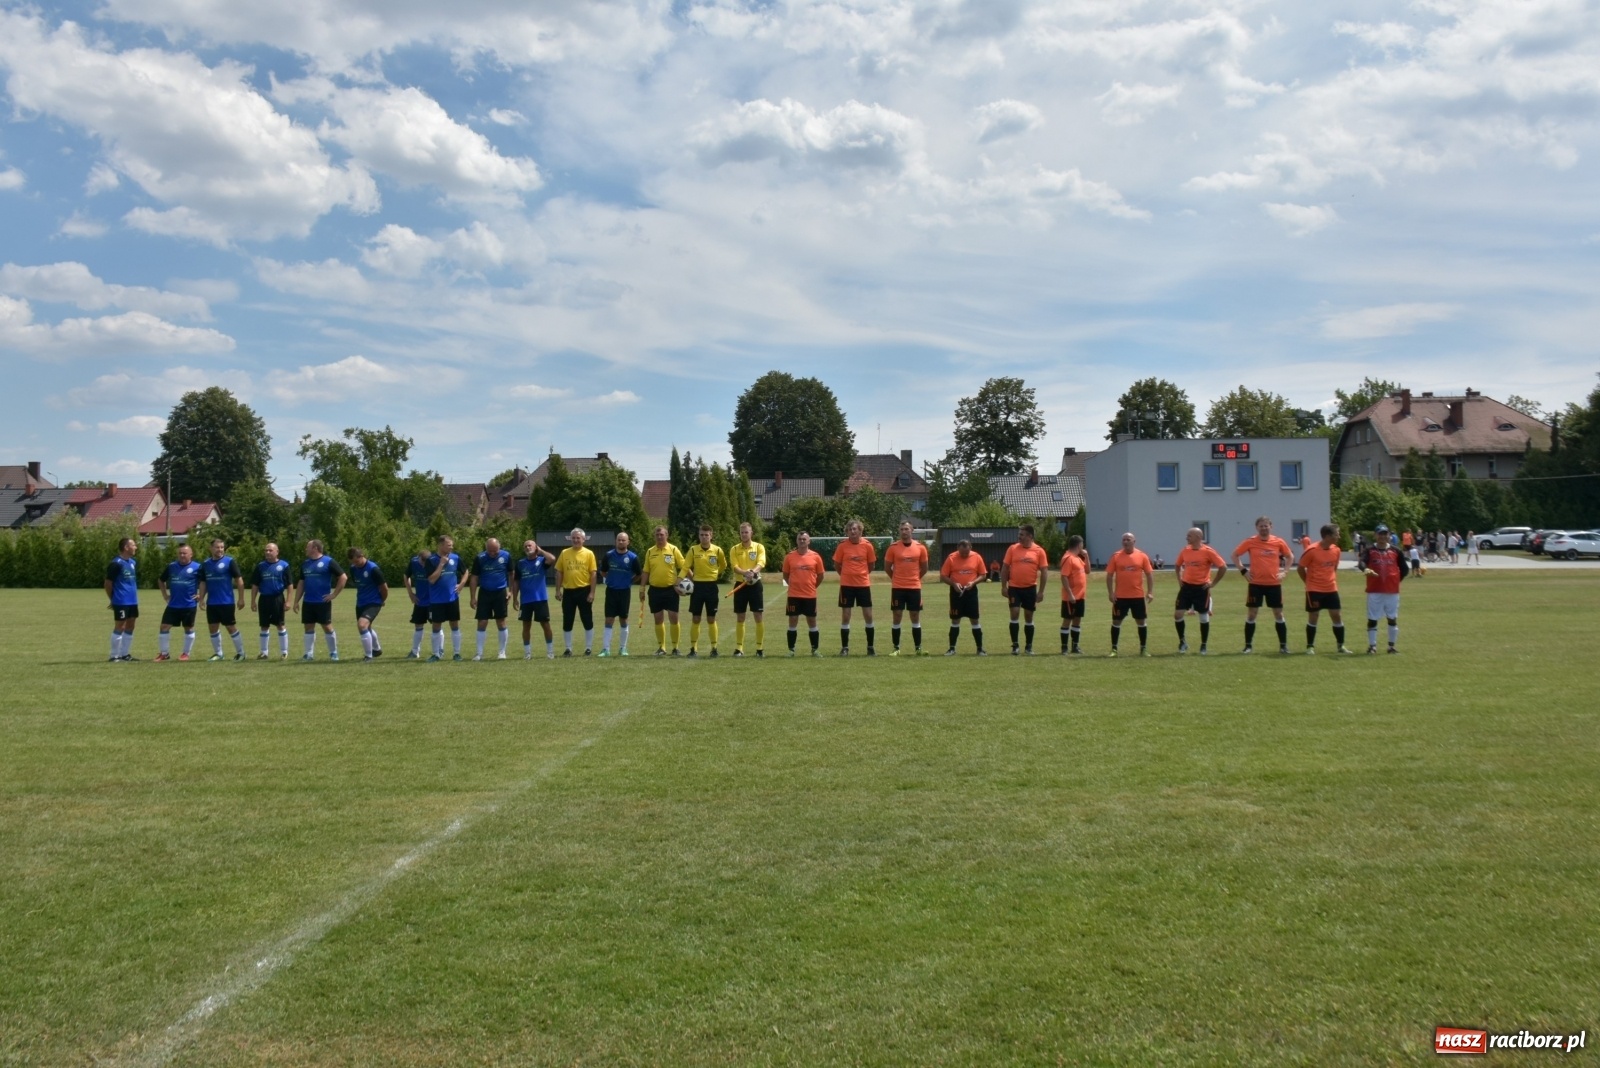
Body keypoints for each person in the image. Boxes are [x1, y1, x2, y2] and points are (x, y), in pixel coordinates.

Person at [1231, 516, 1294, 654]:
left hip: (1274, 584)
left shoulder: (1278, 542)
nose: (1264, 528)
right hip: (1256, 584)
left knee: (1278, 613)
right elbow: (1235, 555)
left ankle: (1283, 646)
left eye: (1266, 526)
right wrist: (1243, 571)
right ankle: (1248, 646)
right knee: (1252, 614)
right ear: (1257, 528)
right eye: (1261, 526)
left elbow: (1290, 556)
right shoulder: (1250, 542)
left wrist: (1285, 572)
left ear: (1271, 526)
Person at [1172, 527, 1227, 655]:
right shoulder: (1185, 550)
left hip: (1201, 588)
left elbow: (1223, 567)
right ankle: (1182, 642)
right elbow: (1177, 565)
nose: (1186, 538)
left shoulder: (1208, 551)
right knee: (1178, 614)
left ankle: (1203, 645)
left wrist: (1213, 583)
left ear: (1198, 537)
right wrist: (1180, 579)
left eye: (1189, 536)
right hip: (1186, 587)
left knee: (1203, 617)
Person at [1297, 524, 1350, 654]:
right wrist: (1308, 582)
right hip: (1314, 589)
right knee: (1314, 616)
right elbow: (1300, 568)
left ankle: (1341, 646)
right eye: (1337, 534)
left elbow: (1334, 567)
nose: (1339, 536)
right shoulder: (1312, 550)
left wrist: (1330, 579)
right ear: (1327, 536)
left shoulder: (1336, 550)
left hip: (1331, 588)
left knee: (1336, 615)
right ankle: (1310, 647)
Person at [1357, 523, 1409, 654]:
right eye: (1380, 534)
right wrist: (1365, 569)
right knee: (1373, 618)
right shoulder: (1369, 550)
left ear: (1389, 535)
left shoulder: (1396, 551)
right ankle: (1372, 646)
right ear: (1375, 535)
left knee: (1392, 618)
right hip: (1374, 590)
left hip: (1392, 591)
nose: (1383, 536)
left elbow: (1404, 569)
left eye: (1385, 534)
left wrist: (1396, 580)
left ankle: (1391, 646)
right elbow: (1361, 562)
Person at [293, 539, 346, 661]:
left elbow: (343, 577)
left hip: (323, 601)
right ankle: (308, 654)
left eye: (308, 547)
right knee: (308, 626)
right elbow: (301, 583)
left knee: (327, 626)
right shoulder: (305, 564)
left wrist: (334, 594)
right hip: (308, 601)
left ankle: (333, 653)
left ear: (315, 548)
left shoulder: (328, 562)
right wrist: (296, 601)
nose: (306, 549)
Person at [1001, 524, 1050, 655]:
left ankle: (1028, 646)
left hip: (1030, 588)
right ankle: (1015, 646)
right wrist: (1003, 586)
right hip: (1014, 588)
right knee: (1015, 613)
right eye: (1019, 534)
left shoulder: (1039, 551)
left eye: (1022, 535)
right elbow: (1005, 568)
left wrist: (1041, 591)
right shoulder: (1012, 549)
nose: (1019, 537)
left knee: (1028, 616)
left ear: (1030, 536)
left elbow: (1044, 572)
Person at [1106, 532, 1155, 656]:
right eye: (1124, 540)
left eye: (1128, 539)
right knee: (1116, 622)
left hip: (1137, 596)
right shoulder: (1116, 556)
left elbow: (1149, 575)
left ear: (1134, 541)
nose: (1125, 542)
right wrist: (1111, 592)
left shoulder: (1142, 556)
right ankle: (1114, 649)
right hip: (1120, 597)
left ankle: (1143, 648)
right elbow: (1109, 575)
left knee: (1141, 622)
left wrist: (1150, 592)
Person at [883, 522, 929, 655]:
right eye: (902, 529)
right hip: (898, 587)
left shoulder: (920, 547)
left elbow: (924, 568)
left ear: (912, 530)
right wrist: (896, 579)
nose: (904, 531)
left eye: (906, 529)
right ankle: (896, 648)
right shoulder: (893, 548)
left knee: (915, 616)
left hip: (914, 587)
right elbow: (887, 567)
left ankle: (918, 648)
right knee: (897, 616)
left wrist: (915, 579)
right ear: (899, 531)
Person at [833, 519, 878, 655]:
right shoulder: (842, 546)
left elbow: (871, 565)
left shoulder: (868, 546)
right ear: (847, 532)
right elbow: (837, 564)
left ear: (860, 531)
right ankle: (845, 648)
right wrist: (846, 575)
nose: (852, 532)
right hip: (847, 585)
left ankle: (870, 647)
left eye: (855, 529)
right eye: (850, 530)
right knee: (846, 616)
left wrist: (861, 575)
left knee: (868, 615)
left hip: (863, 585)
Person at [641, 526, 687, 656]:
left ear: (667, 535)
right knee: (658, 619)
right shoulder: (650, 552)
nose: (659, 537)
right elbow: (646, 571)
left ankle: (675, 648)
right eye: (657, 534)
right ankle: (661, 647)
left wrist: (687, 581)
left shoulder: (673, 549)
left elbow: (684, 566)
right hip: (655, 590)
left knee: (674, 618)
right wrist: (642, 588)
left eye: (662, 534)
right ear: (654, 536)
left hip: (671, 590)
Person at [200, 538, 246, 661]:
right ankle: (218, 654)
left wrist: (241, 598)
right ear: (211, 548)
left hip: (226, 601)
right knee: (213, 628)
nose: (220, 549)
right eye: (217, 547)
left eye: (222, 547)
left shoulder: (229, 561)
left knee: (230, 627)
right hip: (212, 602)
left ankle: (241, 653)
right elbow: (203, 582)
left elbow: (239, 580)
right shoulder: (206, 564)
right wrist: (201, 599)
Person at [782, 531, 827, 657]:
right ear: (797, 541)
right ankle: (791, 650)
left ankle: (815, 649)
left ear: (809, 541)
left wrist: (812, 586)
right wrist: (794, 585)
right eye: (800, 539)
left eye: (804, 539)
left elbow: (821, 575)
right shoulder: (789, 557)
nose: (802, 541)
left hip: (809, 595)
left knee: (812, 621)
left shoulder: (816, 556)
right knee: (793, 620)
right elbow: (785, 575)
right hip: (793, 595)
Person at [555, 528, 598, 656]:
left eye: (578, 538)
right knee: (567, 619)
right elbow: (559, 572)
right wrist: (558, 590)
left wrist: (592, 592)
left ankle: (588, 648)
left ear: (583, 539)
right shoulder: (564, 553)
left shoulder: (589, 553)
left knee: (587, 619)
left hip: (584, 590)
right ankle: (568, 648)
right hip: (568, 591)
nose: (575, 540)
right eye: (573, 538)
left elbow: (593, 574)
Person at [597, 532, 641, 657]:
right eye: (619, 540)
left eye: (623, 540)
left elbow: (639, 574)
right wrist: (612, 580)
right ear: (616, 541)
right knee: (609, 619)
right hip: (611, 591)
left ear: (628, 542)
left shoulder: (633, 557)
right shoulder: (609, 555)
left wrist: (628, 582)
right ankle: (605, 649)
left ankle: (623, 648)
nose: (621, 542)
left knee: (623, 619)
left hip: (624, 592)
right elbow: (603, 572)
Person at [156, 543, 202, 661]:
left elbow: (205, 582)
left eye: (184, 553)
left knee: (188, 628)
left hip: (189, 604)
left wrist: (200, 595)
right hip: (173, 604)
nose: (182, 555)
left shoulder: (198, 567)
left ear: (191, 555)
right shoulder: (172, 566)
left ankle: (186, 653)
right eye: (180, 553)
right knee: (164, 627)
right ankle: (164, 653)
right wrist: (165, 595)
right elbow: (161, 580)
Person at [939, 539, 987, 654]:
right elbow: (943, 576)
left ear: (970, 547)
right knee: (955, 620)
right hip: (956, 592)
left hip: (971, 592)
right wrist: (954, 584)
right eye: (962, 553)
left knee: (974, 619)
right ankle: (952, 648)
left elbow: (983, 575)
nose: (964, 555)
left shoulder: (977, 557)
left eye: (966, 553)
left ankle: (980, 649)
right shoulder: (951, 558)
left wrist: (973, 582)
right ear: (957, 549)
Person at [513, 538, 557, 659]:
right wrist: (515, 598)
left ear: (535, 547)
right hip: (525, 601)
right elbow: (516, 581)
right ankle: (527, 653)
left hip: (540, 599)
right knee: (526, 626)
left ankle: (550, 651)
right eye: (526, 546)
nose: (528, 548)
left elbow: (552, 559)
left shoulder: (542, 561)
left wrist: (541, 551)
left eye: (530, 546)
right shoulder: (520, 563)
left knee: (545, 625)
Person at [468, 537, 512, 661]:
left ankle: (502, 652)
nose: (492, 553)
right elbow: (474, 577)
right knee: (482, 622)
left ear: (499, 547)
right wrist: (473, 597)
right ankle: (479, 653)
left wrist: (510, 591)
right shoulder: (480, 558)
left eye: (495, 551)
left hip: (500, 592)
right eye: (490, 551)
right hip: (484, 593)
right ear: (486, 548)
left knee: (501, 622)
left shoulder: (506, 556)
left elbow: (511, 574)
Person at [250, 542, 294, 659]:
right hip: (264, 598)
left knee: (280, 625)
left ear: (277, 552)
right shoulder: (260, 566)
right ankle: (264, 652)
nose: (267, 552)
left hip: (277, 598)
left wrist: (289, 601)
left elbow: (290, 585)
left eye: (270, 550)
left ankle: (284, 652)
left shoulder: (284, 565)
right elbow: (255, 585)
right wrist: (253, 601)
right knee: (264, 626)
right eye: (266, 550)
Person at [729, 522, 767, 657]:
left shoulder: (759, 547)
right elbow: (734, 567)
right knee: (740, 617)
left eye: (746, 532)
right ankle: (739, 648)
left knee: (758, 616)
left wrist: (753, 572)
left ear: (751, 533)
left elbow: (761, 562)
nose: (744, 534)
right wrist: (746, 573)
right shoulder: (734, 549)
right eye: (742, 532)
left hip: (755, 586)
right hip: (740, 585)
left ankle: (759, 648)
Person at [426, 536, 466, 661]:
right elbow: (431, 580)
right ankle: (436, 654)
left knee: (454, 624)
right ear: (441, 545)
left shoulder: (456, 558)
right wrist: (441, 565)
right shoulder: (431, 560)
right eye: (449, 545)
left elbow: (466, 571)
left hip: (452, 598)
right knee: (436, 626)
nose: (451, 547)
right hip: (437, 600)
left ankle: (457, 653)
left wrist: (461, 584)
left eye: (452, 545)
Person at [347, 547, 388, 661]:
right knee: (366, 627)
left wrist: (381, 600)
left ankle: (368, 656)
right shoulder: (353, 569)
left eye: (356, 561)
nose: (355, 564)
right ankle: (377, 649)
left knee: (362, 625)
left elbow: (384, 588)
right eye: (353, 562)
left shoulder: (373, 569)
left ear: (362, 556)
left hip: (373, 602)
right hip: (360, 602)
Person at [105, 536, 140, 661]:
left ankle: (125, 654)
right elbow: (108, 583)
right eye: (133, 545)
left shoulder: (132, 562)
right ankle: (114, 655)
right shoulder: (116, 564)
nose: (136, 547)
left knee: (131, 626)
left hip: (132, 600)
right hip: (121, 600)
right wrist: (113, 599)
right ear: (126, 547)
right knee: (120, 626)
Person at [1058, 534, 1089, 654]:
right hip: (1070, 597)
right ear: (1079, 545)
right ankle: (1064, 647)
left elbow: (1088, 571)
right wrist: (1070, 594)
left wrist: (1086, 556)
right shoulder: (1068, 558)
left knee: (1077, 620)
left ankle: (1075, 646)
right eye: (1082, 544)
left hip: (1080, 596)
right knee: (1067, 620)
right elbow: (1064, 577)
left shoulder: (1078, 558)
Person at [404, 543, 433, 658]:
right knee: (418, 625)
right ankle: (415, 651)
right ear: (419, 558)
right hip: (420, 600)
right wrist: (410, 593)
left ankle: (438, 651)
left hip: (433, 601)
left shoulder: (434, 563)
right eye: (422, 562)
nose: (423, 565)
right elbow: (406, 576)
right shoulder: (414, 562)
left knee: (436, 625)